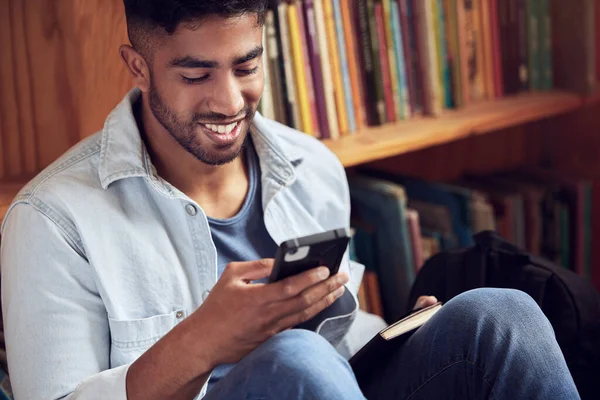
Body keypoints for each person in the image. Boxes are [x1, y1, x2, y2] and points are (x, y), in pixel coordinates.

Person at [0, 1, 581, 399]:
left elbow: (336, 344)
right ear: (138, 67)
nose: (229, 101)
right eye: (196, 74)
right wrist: (203, 340)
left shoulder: (312, 167)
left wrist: (400, 331)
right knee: (297, 360)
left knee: (501, 315)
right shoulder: (53, 219)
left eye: (246, 66)